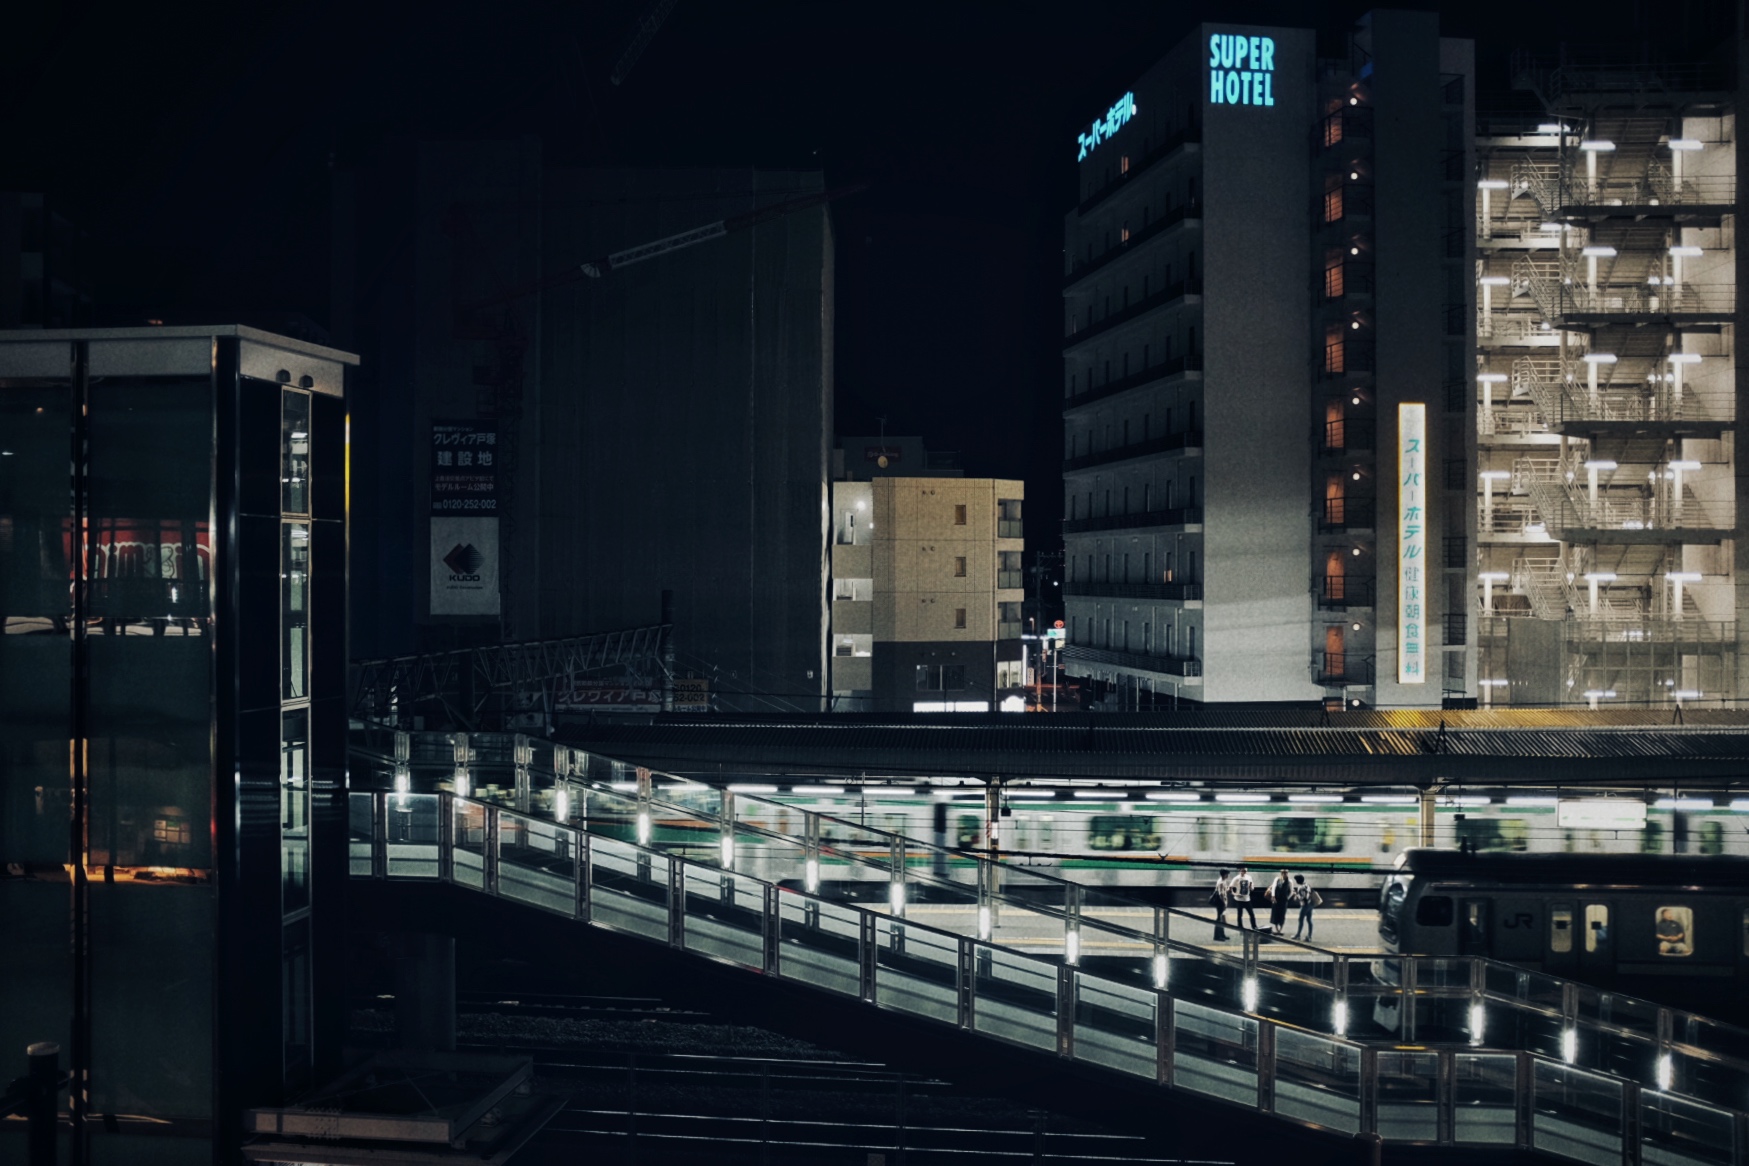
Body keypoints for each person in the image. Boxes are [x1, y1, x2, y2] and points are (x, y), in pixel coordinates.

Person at [1291, 874, 1321, 941]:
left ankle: (1298, 935)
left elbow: (1303, 897)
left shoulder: (1301, 888)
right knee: (1309, 920)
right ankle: (1309, 936)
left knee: (1300, 920)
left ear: (1298, 880)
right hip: (1311, 904)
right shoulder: (1307, 885)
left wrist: (1296, 895)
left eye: (1296, 880)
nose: (1296, 881)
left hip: (1305, 905)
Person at [1231, 865, 1257, 931]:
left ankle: (1254, 926)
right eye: (1242, 871)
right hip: (1239, 900)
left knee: (1251, 914)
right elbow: (1230, 887)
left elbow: (1252, 888)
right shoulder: (1236, 878)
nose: (1244, 872)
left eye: (1245, 871)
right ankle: (1240, 927)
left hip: (1247, 899)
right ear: (1240, 870)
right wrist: (1235, 894)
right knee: (1240, 914)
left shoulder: (1249, 877)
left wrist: (1250, 887)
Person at [1267, 869, 1291, 936]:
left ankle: (1280, 930)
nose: (1284, 874)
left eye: (1285, 873)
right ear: (1281, 873)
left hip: (1284, 900)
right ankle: (1277, 929)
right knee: (1275, 914)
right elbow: (1274, 887)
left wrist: (1288, 898)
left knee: (1282, 914)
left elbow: (1291, 891)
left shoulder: (1289, 881)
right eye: (1283, 873)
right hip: (1276, 899)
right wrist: (1273, 896)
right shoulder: (1277, 879)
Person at [1211, 869, 1232, 941]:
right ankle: (1217, 936)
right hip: (1220, 903)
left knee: (1221, 919)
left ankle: (1222, 934)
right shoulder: (1221, 882)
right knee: (1219, 919)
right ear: (1224, 874)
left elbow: (1224, 890)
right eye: (1227, 874)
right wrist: (1224, 903)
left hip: (1221, 903)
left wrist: (1228, 889)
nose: (1228, 875)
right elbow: (1221, 894)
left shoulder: (1223, 881)